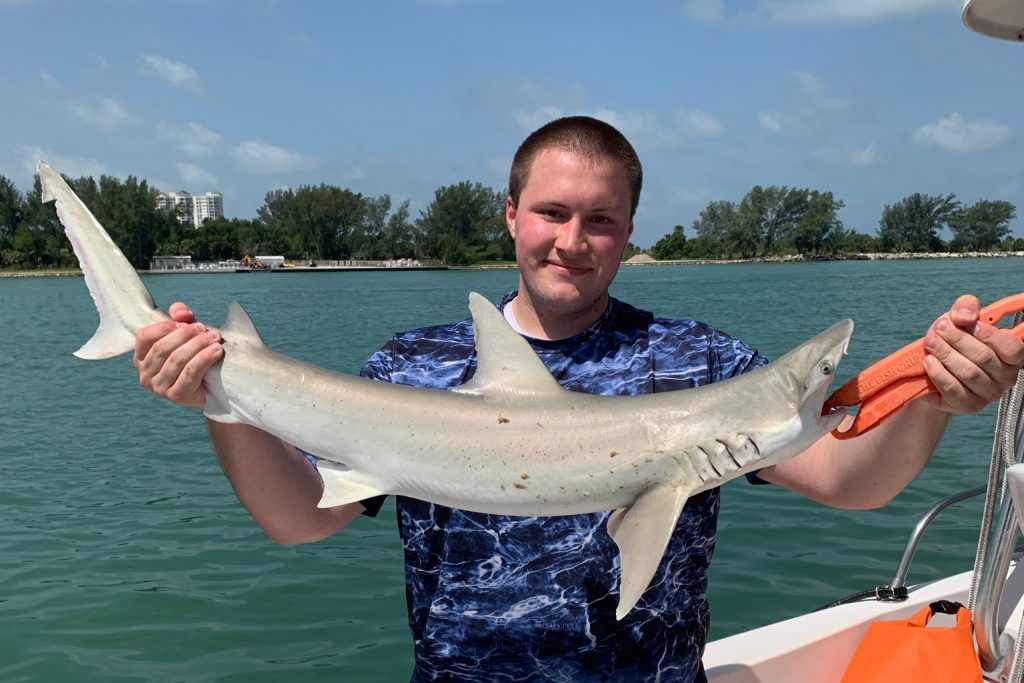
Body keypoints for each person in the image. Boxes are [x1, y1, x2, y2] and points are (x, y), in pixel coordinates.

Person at [134, 116, 1024, 682]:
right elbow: (299, 519)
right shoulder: (411, 365)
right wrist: (224, 399)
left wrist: (936, 398)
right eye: (552, 212)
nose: (572, 239)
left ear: (630, 229)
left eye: (600, 219)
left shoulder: (696, 360)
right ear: (511, 213)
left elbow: (848, 482)